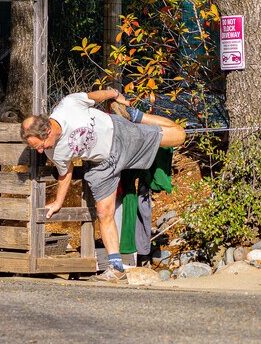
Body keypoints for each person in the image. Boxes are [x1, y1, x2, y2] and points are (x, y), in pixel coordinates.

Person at [20, 89, 185, 282]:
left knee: (179, 136)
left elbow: (95, 96)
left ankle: (137, 116)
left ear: (48, 131)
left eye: (40, 145)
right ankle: (116, 268)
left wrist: (115, 94)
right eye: (35, 148)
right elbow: (66, 173)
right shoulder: (53, 152)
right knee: (104, 212)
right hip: (100, 165)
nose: (40, 152)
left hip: (122, 136)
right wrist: (58, 202)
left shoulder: (68, 105)